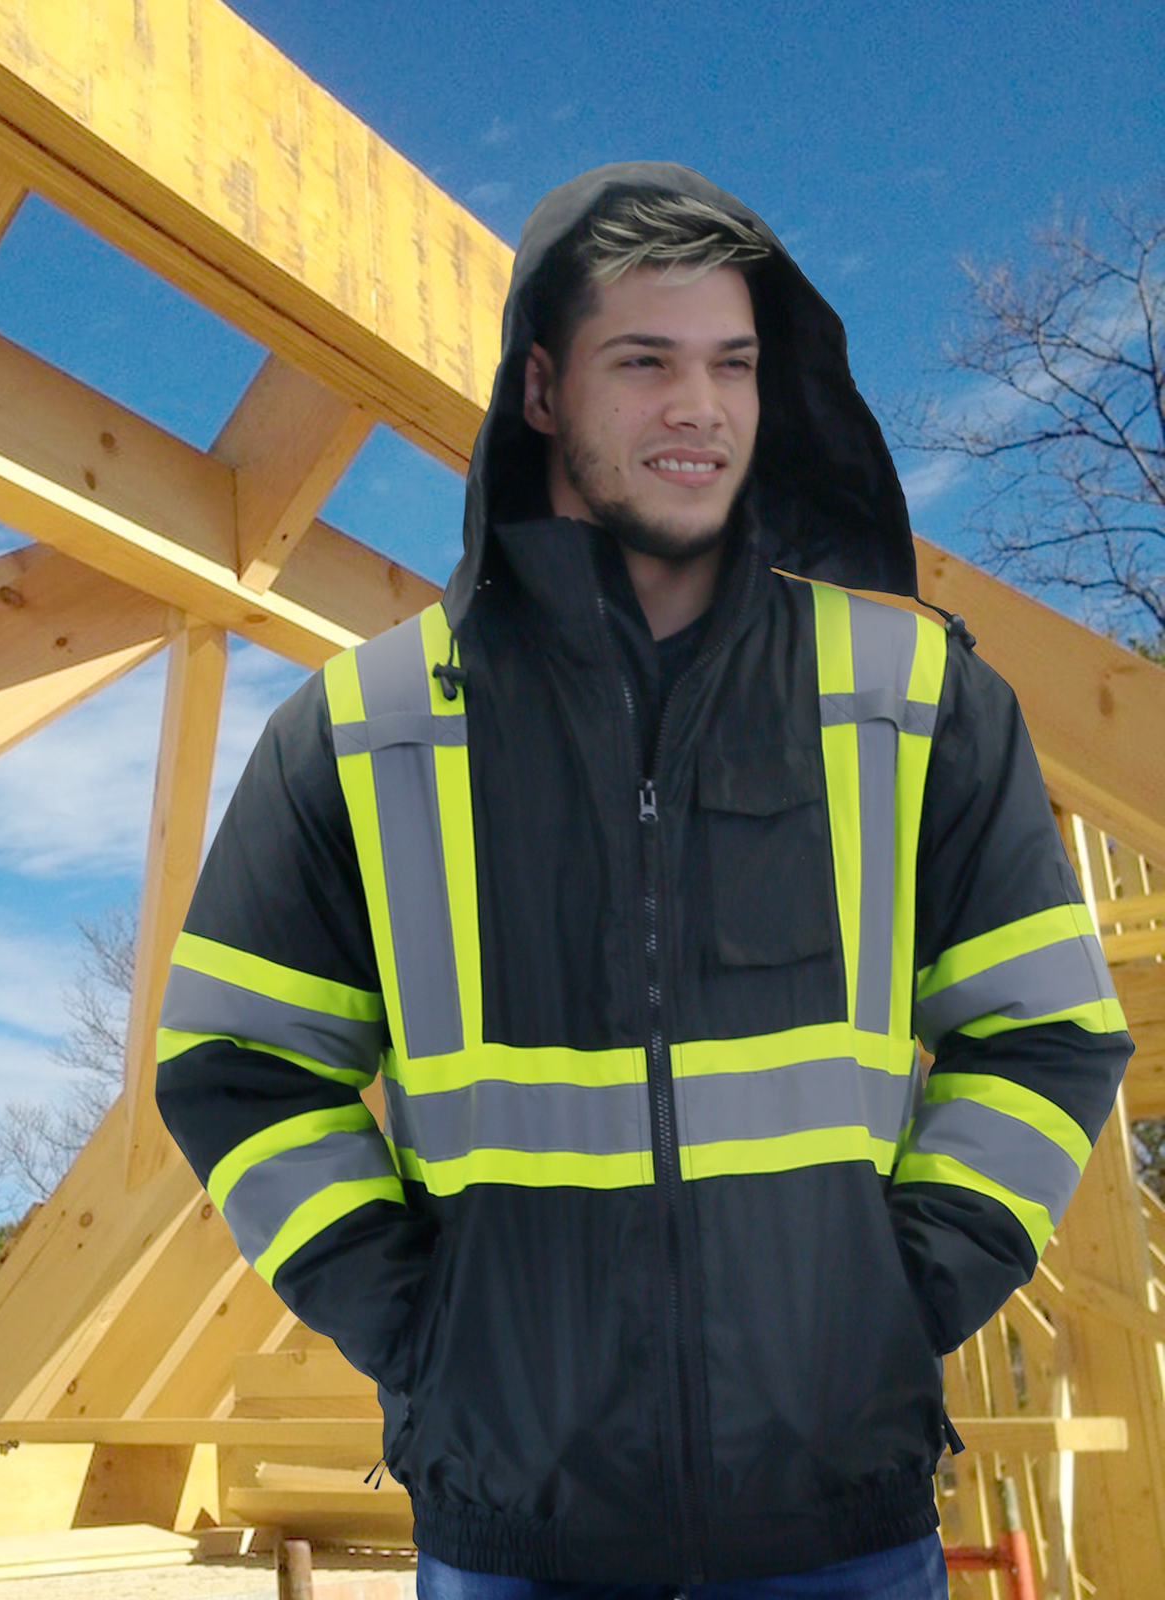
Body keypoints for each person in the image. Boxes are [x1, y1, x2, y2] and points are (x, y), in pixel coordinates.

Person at [154, 165, 1131, 1597]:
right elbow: (236, 1062)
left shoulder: (911, 696)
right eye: (647, 362)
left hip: (841, 1529)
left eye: (734, 366)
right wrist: (428, 1334)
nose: (702, 408)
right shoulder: (369, 727)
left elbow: (1046, 1031)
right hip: (515, 1533)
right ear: (542, 390)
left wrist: (900, 1294)